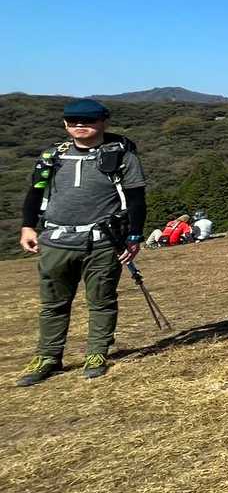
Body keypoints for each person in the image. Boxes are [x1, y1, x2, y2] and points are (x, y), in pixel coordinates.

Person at [17, 98, 146, 385]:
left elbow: (137, 198)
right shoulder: (52, 156)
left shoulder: (122, 156)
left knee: (101, 300)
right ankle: (48, 357)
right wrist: (27, 227)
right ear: (65, 124)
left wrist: (134, 236)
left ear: (103, 122)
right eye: (74, 121)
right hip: (56, 240)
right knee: (53, 304)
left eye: (88, 121)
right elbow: (35, 192)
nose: (80, 125)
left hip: (102, 242)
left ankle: (96, 353)